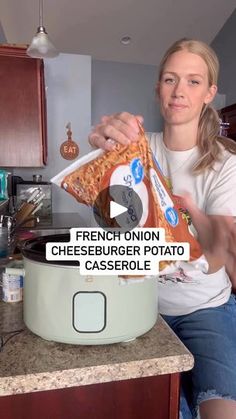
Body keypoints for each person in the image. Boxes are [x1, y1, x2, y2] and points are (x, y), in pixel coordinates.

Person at [88, 38, 236, 419]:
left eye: (193, 81)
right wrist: (98, 147)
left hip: (207, 308)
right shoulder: (134, 148)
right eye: (170, 80)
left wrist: (191, 221)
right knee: (160, 405)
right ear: (158, 88)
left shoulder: (226, 164)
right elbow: (111, 223)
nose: (179, 91)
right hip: (141, 306)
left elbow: (219, 257)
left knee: (220, 408)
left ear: (209, 93)